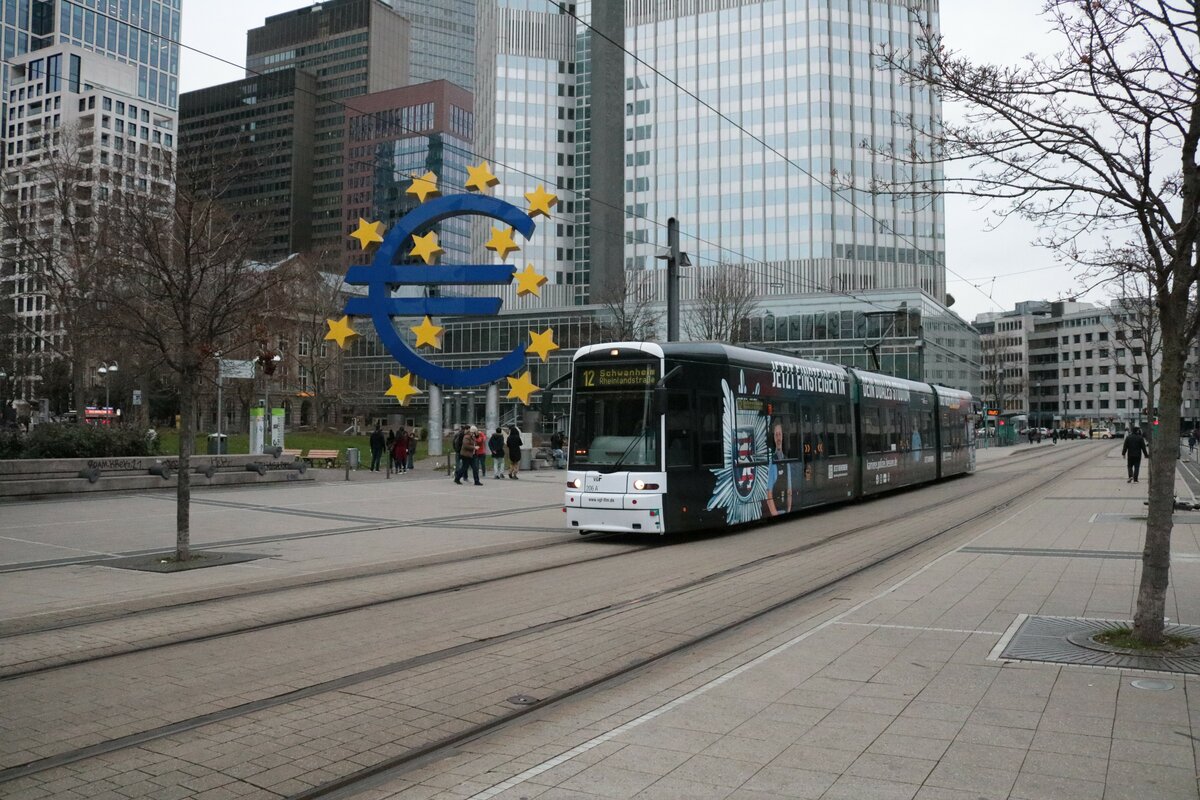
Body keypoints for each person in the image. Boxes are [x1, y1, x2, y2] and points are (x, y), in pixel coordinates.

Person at [764, 420, 792, 516]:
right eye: (776, 434)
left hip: (785, 510)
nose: (778, 437)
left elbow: (789, 490)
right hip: (777, 512)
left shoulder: (786, 461)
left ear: (782, 436)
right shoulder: (772, 462)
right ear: (774, 438)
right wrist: (775, 514)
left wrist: (789, 510)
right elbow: (769, 493)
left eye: (779, 434)